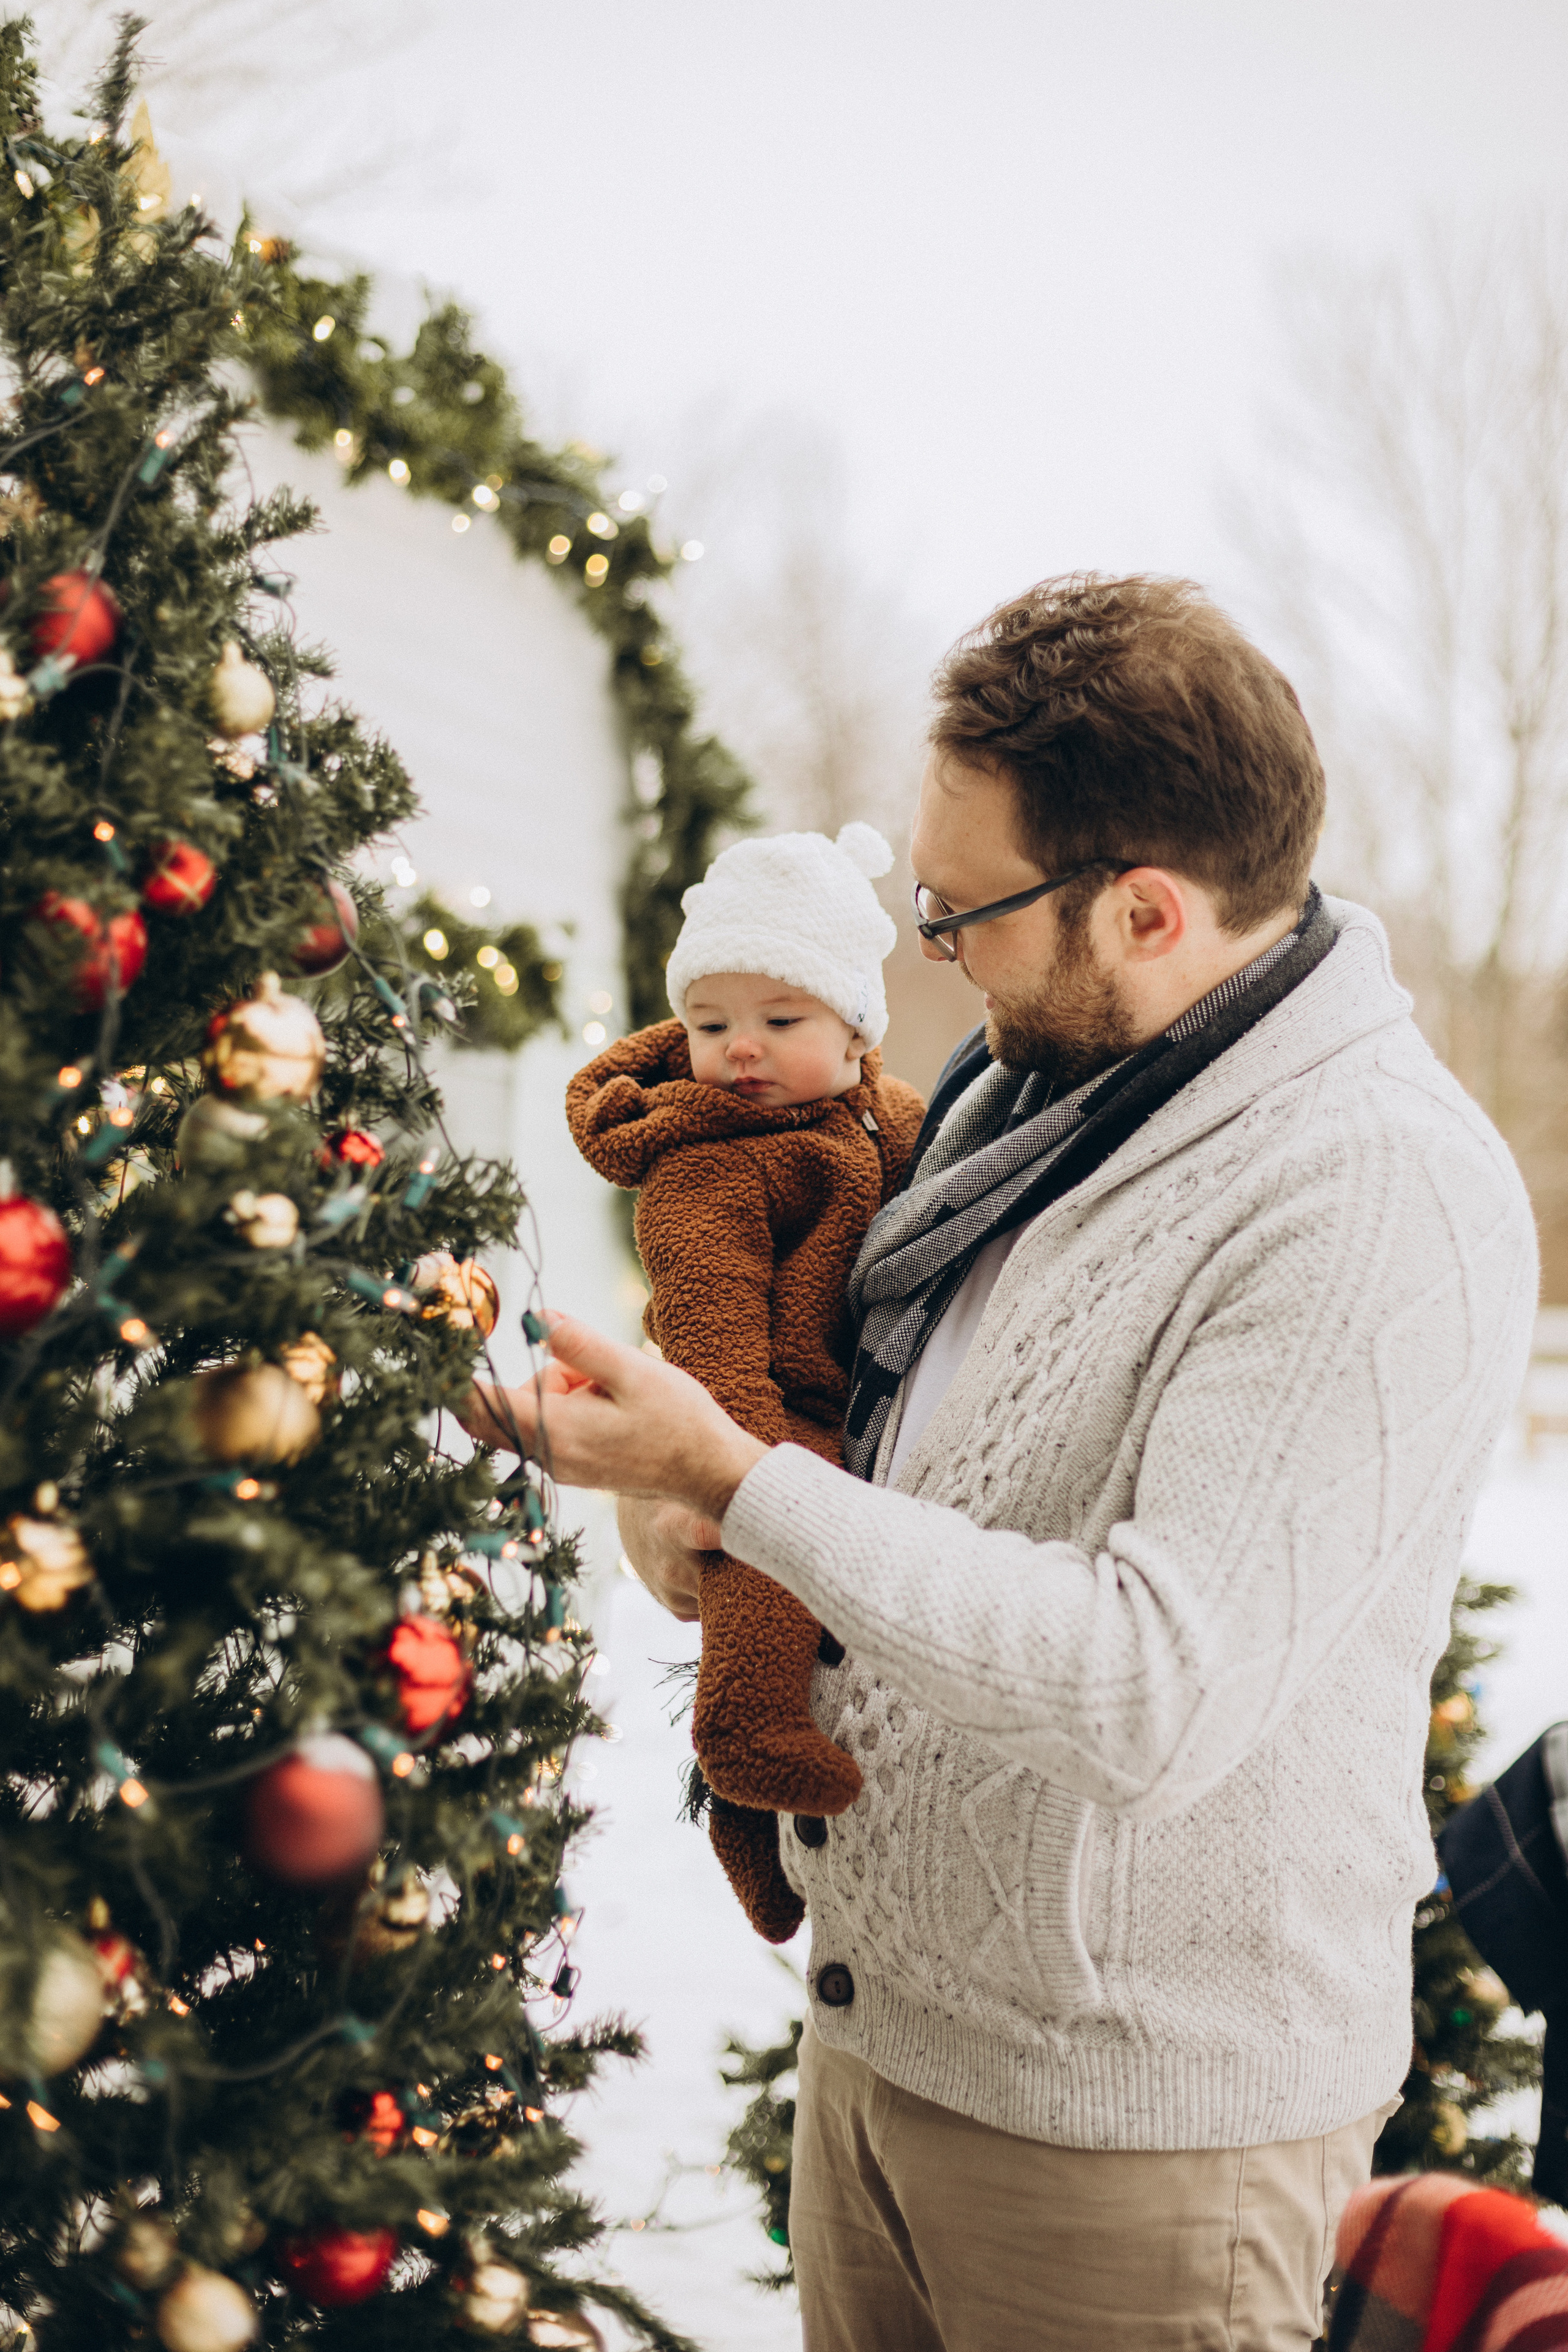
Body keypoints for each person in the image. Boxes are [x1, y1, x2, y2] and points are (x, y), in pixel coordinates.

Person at [464, 574, 1539, 2352]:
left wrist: (742, 1487)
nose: (930, 952)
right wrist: (688, 1509)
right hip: (880, 2046)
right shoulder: (1017, 1103)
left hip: (1131, 2142)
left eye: (960, 912)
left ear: (1144, 910)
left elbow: (1146, 1687)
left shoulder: (1365, 1192)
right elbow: (898, 1481)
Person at [562, 821, 924, 1942]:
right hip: (759, 1412)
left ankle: (749, 1826)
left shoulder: (886, 1115)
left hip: (855, 1407)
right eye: (711, 1024)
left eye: (780, 1021)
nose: (742, 1051)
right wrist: (746, 1471)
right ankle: (742, 1736)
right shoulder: (703, 1166)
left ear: (857, 1031)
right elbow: (712, 1331)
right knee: (765, 1588)